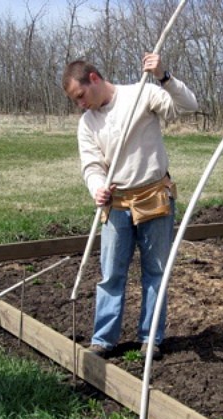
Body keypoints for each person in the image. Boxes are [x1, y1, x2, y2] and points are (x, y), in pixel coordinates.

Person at [62, 53, 198, 360]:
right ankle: (103, 339)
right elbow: (92, 165)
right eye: (76, 100)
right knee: (111, 274)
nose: (81, 104)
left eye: (81, 96)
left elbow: (188, 106)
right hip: (117, 205)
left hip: (154, 198)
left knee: (155, 271)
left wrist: (164, 76)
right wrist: (97, 188)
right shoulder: (88, 123)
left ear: (94, 78)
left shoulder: (141, 93)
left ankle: (151, 338)